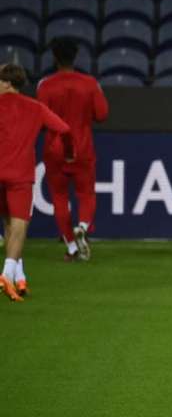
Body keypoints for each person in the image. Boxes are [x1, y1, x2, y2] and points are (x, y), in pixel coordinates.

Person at [0, 63, 74, 300]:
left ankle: (19, 278)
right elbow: (64, 129)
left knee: (9, 225)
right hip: (20, 175)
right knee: (19, 225)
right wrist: (68, 152)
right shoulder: (36, 108)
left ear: (8, 83)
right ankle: (6, 274)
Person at [37, 37, 109, 261]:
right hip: (82, 147)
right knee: (86, 193)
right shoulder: (90, 83)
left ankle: (71, 247)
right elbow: (102, 114)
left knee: (59, 197)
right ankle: (84, 227)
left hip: (54, 149)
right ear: (75, 57)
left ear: (55, 58)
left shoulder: (45, 85)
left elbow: (41, 119)